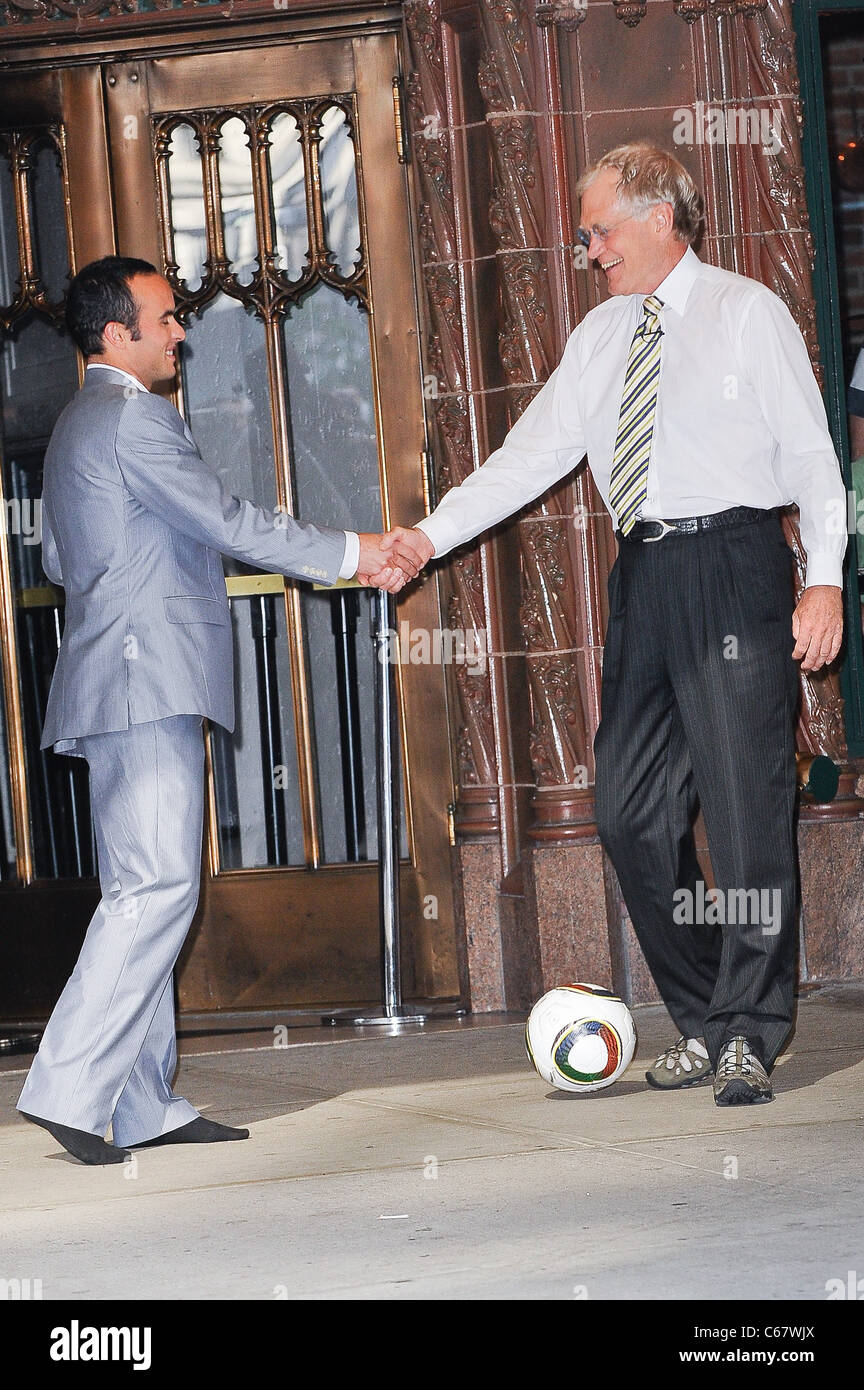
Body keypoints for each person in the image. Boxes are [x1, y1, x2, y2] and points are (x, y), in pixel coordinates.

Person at [383, 144, 847, 1106]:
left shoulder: (745, 313)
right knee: (630, 814)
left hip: (734, 563)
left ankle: (752, 1034)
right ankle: (711, 1013)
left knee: (747, 817)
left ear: (661, 216)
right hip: (643, 576)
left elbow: (811, 457)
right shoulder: (600, 338)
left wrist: (827, 582)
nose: (588, 247)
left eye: (599, 228)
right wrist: (424, 539)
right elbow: (523, 463)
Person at [17, 256, 423, 1165]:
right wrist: (355, 552)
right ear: (116, 333)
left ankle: (141, 1103)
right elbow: (229, 519)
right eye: (165, 319)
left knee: (143, 886)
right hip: (145, 674)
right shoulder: (133, 418)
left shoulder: (77, 424)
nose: (181, 333)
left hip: (115, 674)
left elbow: (58, 564)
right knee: (156, 889)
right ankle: (70, 1087)